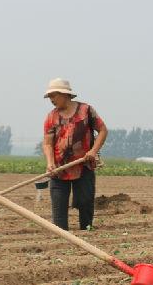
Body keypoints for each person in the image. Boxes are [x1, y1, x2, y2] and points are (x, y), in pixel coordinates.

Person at [42, 78, 107, 231]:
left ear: (65, 95)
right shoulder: (51, 117)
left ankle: (87, 235)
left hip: (84, 165)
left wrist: (93, 151)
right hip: (59, 169)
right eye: (50, 96)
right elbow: (47, 143)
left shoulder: (86, 111)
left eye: (54, 95)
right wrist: (50, 163)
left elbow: (103, 130)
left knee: (85, 204)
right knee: (59, 219)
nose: (51, 100)